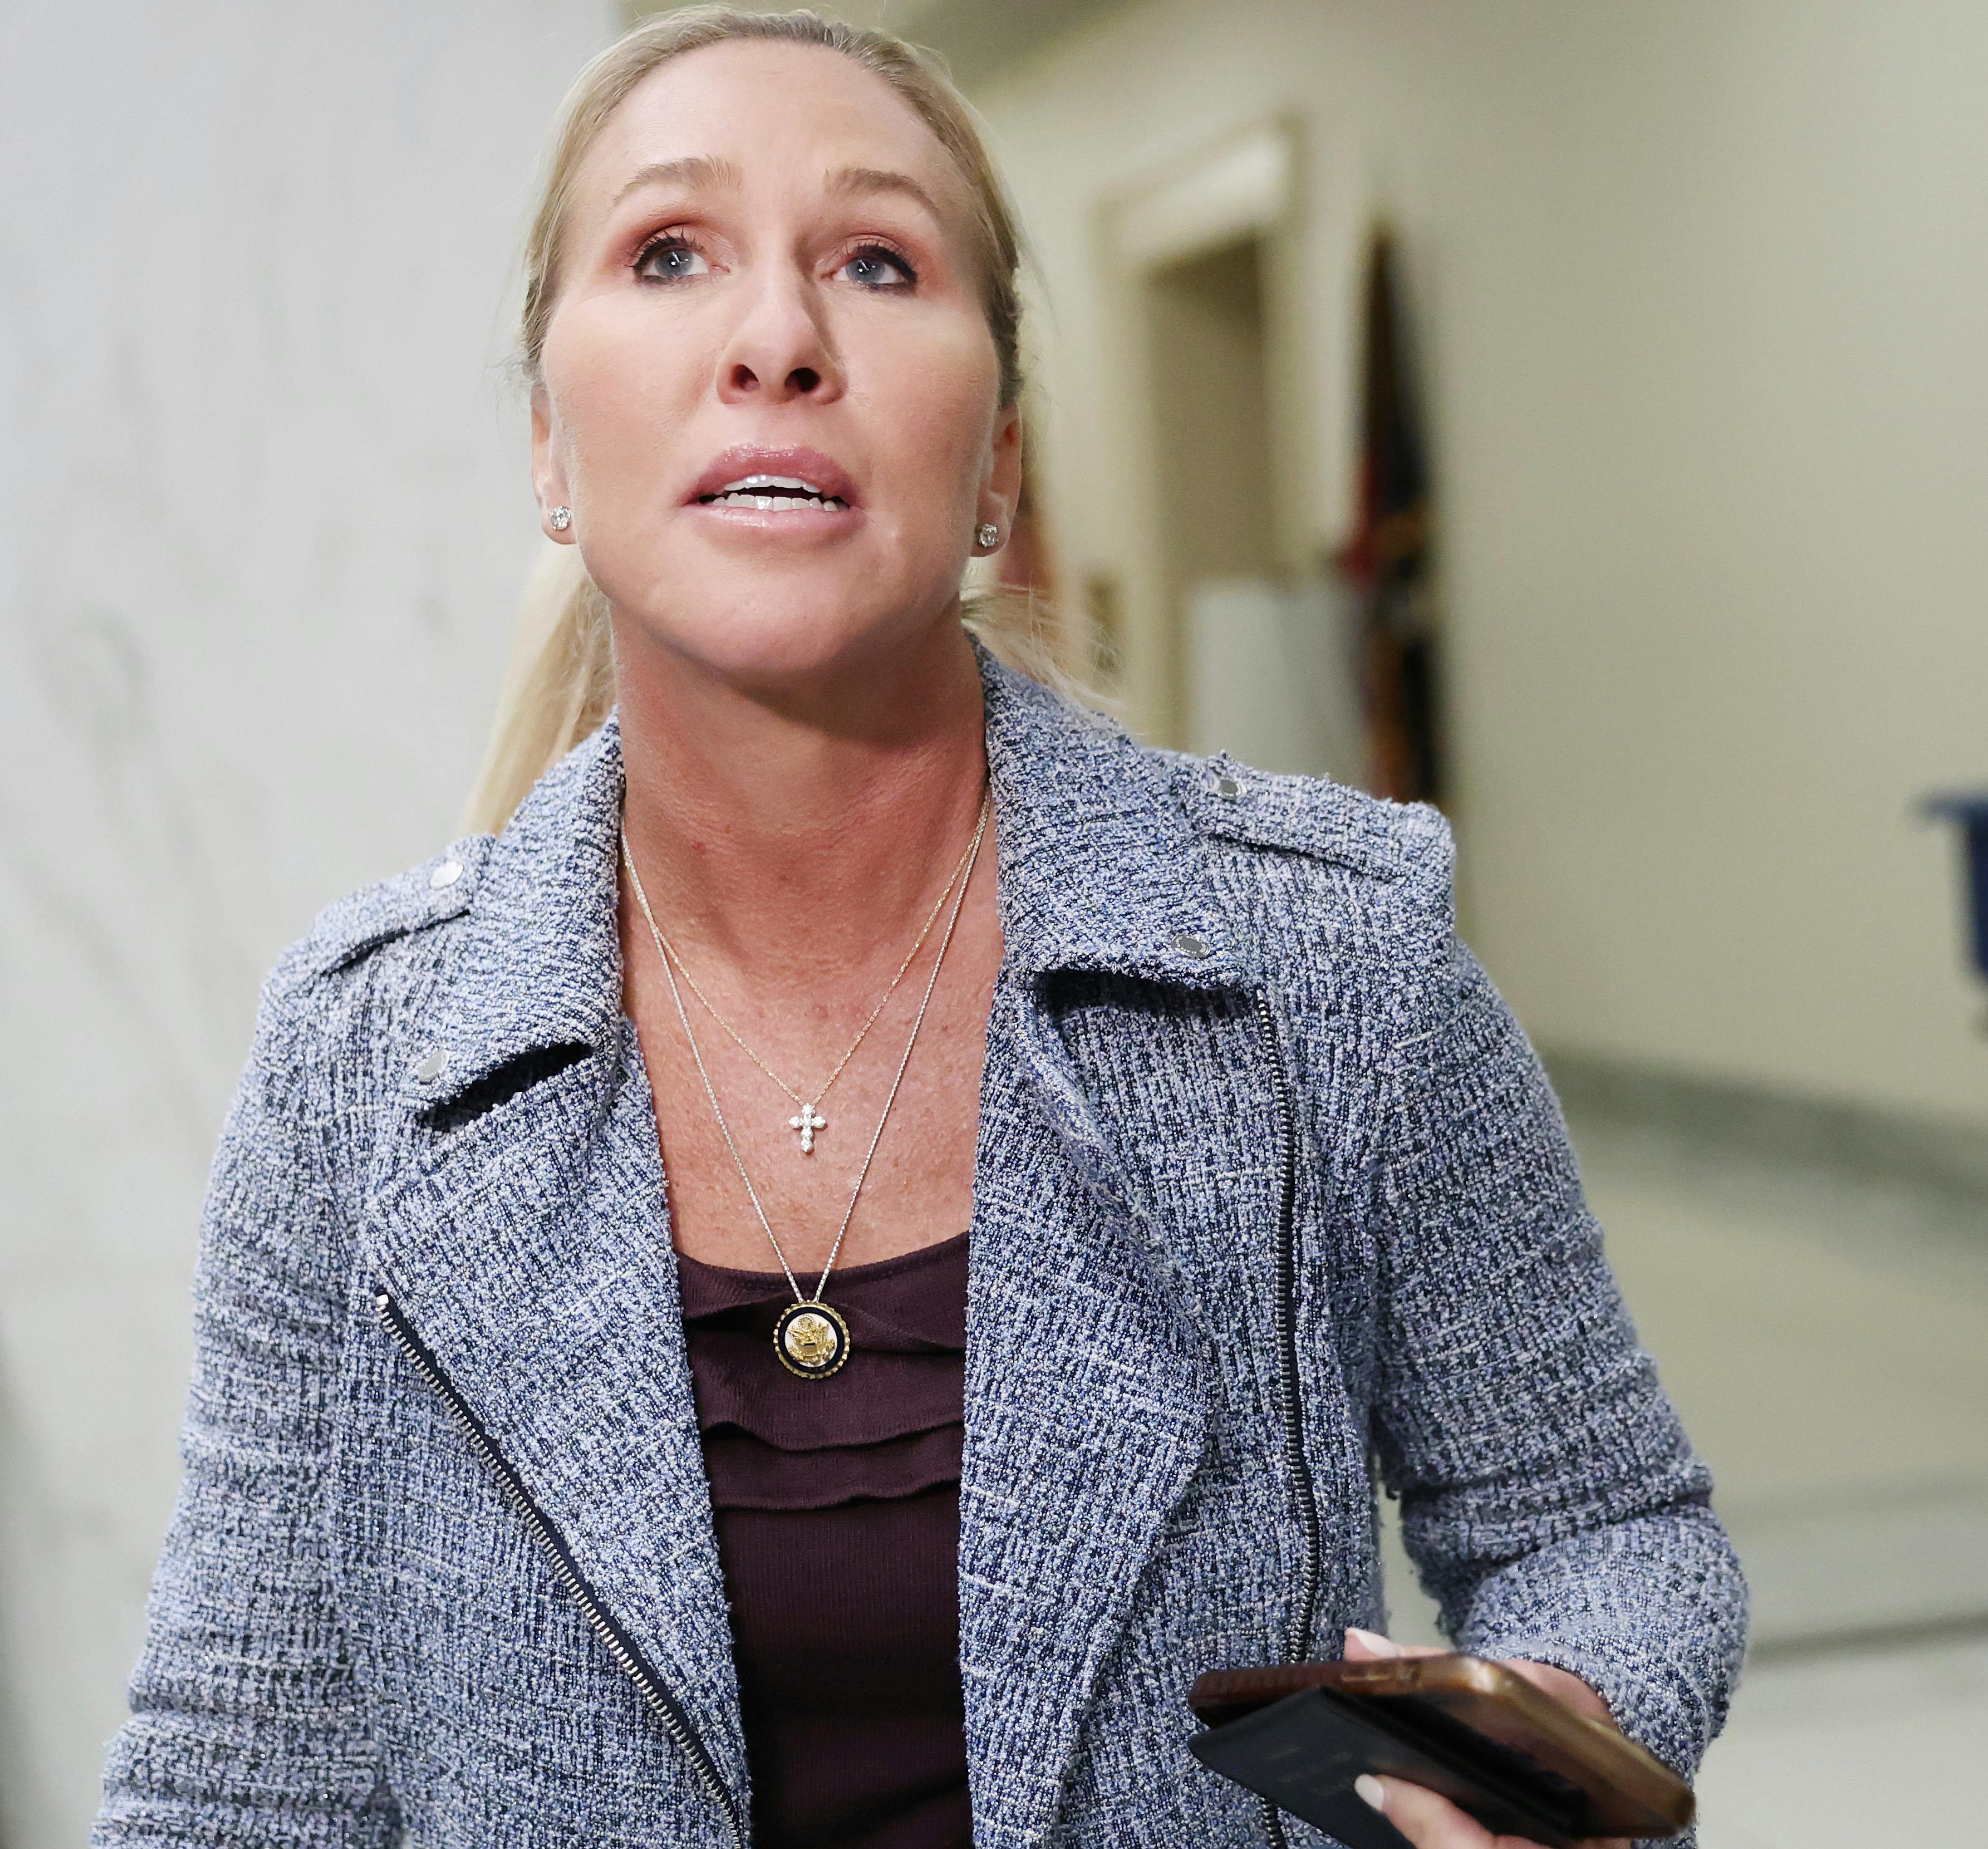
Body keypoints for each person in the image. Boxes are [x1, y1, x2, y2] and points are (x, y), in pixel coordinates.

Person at [92, 10, 1745, 1846]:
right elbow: (240, 1771)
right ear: (549, 447)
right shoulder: (359, 1061)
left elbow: (1604, 1526)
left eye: (876, 261)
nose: (778, 337)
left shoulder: (1325, 960)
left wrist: (1554, 1753)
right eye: (669, 253)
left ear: (998, 469)